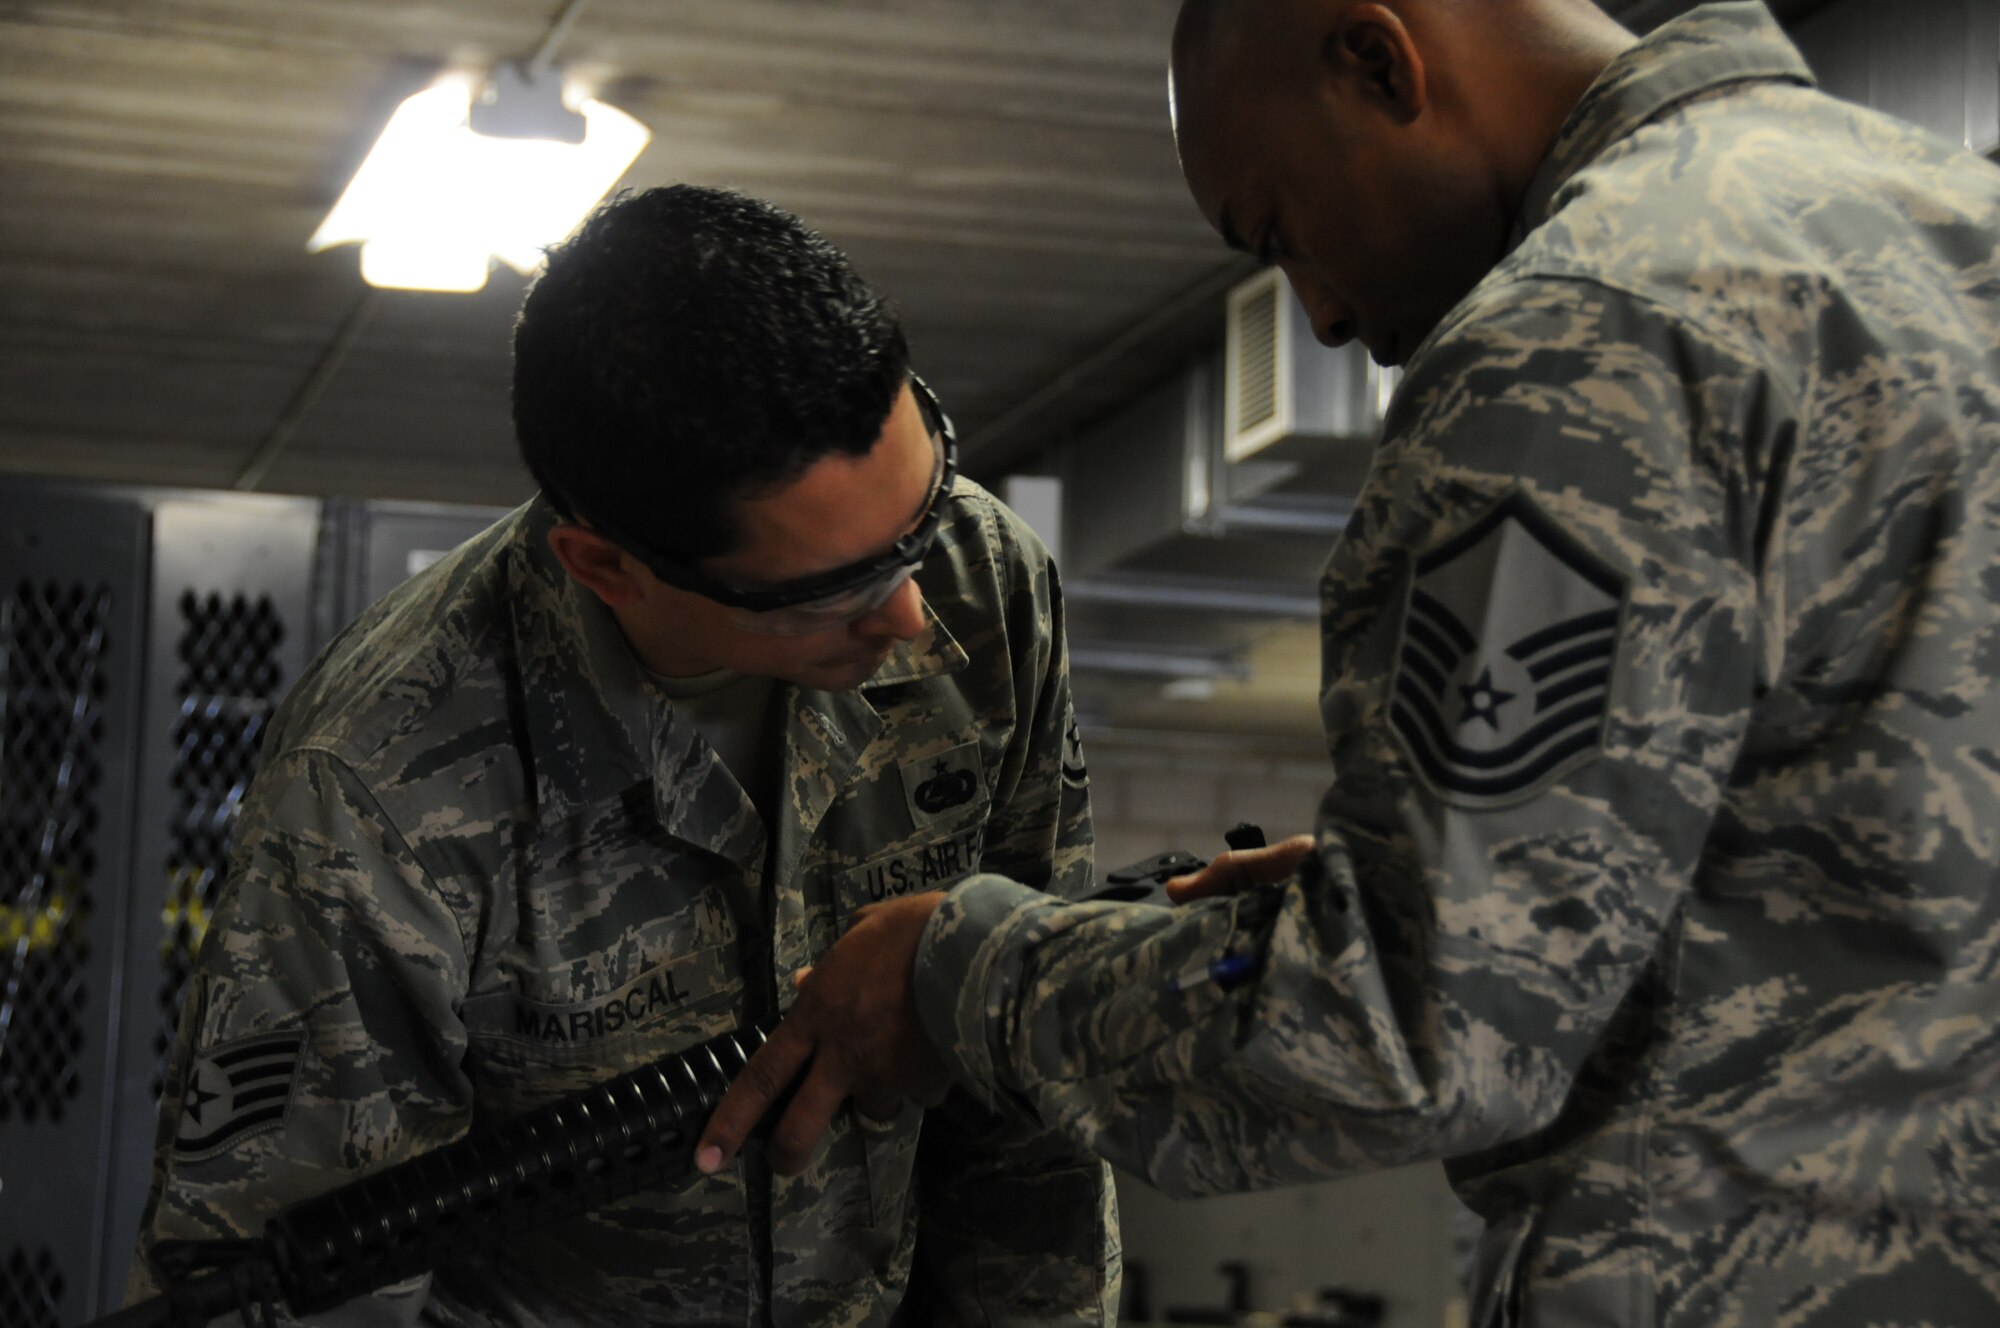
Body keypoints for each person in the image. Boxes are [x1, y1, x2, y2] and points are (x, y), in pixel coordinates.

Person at [697, 1, 2000, 1323]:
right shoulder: (1955, 220)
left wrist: (961, 973)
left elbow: (1410, 1033)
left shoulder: (1580, 333)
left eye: (1282, 231)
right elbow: (1872, 859)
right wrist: (1415, 872)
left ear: (1377, 59)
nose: (1316, 315)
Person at [130, 185, 1119, 1326]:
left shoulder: (982, 580)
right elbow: (277, 1273)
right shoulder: (382, 782)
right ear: (607, 566)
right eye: (829, 589)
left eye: (924, 508)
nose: (906, 613)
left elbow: (1022, 1103)